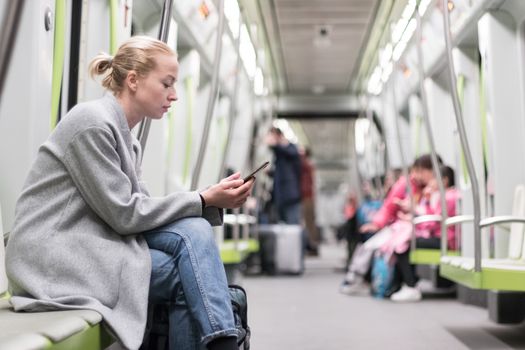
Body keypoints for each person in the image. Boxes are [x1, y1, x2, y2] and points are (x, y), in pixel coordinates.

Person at [5, 36, 254, 350]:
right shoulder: (92, 124)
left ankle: (222, 341)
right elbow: (126, 215)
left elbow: (140, 212)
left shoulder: (125, 137)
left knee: (196, 228)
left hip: (90, 244)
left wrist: (205, 200)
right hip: (53, 260)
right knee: (185, 279)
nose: (174, 95)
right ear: (134, 80)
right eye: (167, 84)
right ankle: (223, 342)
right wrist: (203, 199)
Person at [339, 154, 439, 295]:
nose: (418, 175)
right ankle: (357, 279)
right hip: (403, 227)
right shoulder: (407, 184)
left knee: (389, 244)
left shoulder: (432, 190)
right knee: (371, 245)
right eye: (417, 171)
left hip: (412, 228)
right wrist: (377, 223)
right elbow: (389, 206)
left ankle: (369, 281)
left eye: (422, 171)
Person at [388, 165, 459, 302]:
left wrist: (415, 217)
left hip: (445, 240)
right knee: (405, 242)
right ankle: (407, 284)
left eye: (433, 179)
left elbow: (434, 222)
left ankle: (410, 285)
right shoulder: (444, 195)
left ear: (444, 181)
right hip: (441, 237)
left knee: (405, 244)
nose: (430, 183)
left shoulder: (448, 198)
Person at [265, 127, 302, 224]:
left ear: (279, 136)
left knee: (292, 227)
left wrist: (275, 144)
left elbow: (291, 153)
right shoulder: (279, 154)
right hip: (280, 197)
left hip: (290, 197)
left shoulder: (290, 148)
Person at [299, 146, 320, 256]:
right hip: (307, 196)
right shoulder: (308, 164)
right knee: (309, 222)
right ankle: (311, 246)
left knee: (309, 222)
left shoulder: (306, 164)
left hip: (307, 196)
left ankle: (312, 247)